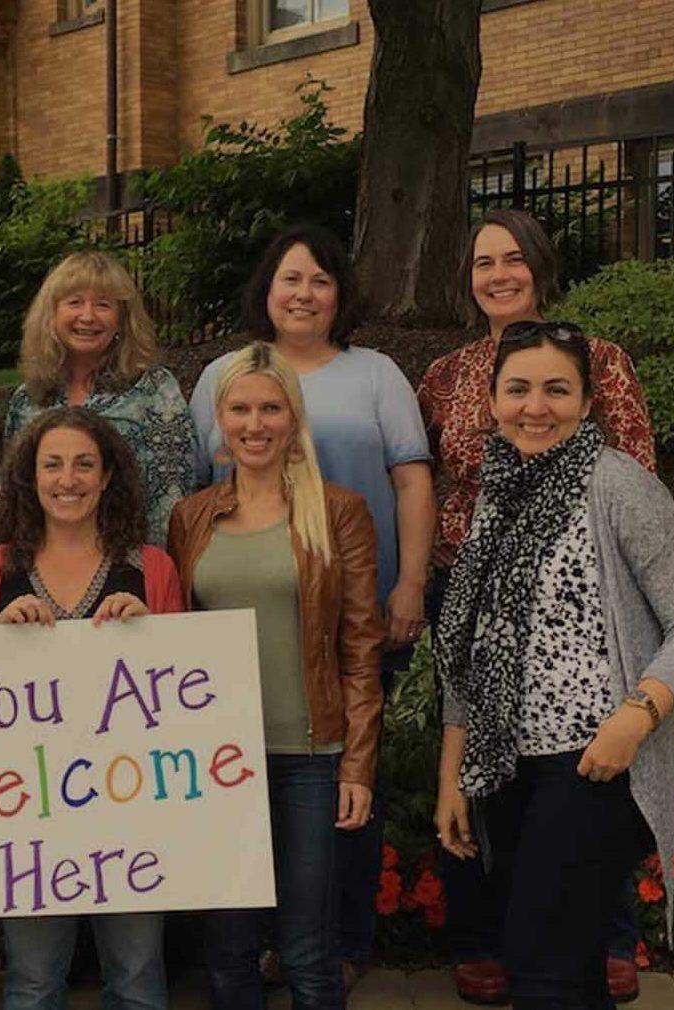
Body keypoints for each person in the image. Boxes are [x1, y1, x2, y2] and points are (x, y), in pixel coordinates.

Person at [431, 321, 674, 1010]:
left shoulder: (620, 488)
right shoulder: (497, 495)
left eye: (556, 390)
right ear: (492, 401)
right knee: (569, 966)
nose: (536, 407)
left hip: (595, 764)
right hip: (505, 762)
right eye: (518, 389)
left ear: (588, 402)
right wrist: (452, 776)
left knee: (540, 964)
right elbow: (472, 652)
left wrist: (636, 714)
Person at [418, 208, 657, 1004]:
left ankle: (603, 938)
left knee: (582, 773)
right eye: (483, 262)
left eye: (513, 259)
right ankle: (499, 939)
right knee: (496, 771)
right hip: (470, 578)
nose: (498, 275)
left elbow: (635, 473)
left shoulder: (598, 359)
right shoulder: (449, 374)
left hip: (578, 589)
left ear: (539, 267)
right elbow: (425, 479)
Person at [187, 226, 433, 980]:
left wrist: (410, 583)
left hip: (352, 613)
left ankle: (341, 944)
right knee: (249, 788)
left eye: (320, 280)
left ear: (340, 294)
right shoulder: (220, 376)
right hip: (245, 620)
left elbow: (412, 480)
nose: (304, 293)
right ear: (267, 290)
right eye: (290, 278)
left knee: (347, 779)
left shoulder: (376, 374)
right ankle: (261, 942)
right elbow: (202, 494)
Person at [167, 343, 384, 1010]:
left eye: (270, 408)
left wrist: (358, 766)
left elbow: (361, 646)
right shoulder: (192, 517)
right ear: (220, 419)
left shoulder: (337, 510)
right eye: (240, 408)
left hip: (310, 757)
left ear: (293, 418)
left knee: (307, 949)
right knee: (228, 952)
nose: (254, 423)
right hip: (220, 760)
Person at [0, 406, 183, 1010]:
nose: (68, 479)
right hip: (27, 817)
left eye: (85, 464)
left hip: (131, 810)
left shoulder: (151, 568)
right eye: (52, 464)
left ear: (107, 476)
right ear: (29, 479)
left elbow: (187, 699)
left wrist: (151, 633)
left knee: (137, 978)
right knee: (32, 983)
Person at [4, 250, 194, 541]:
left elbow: (172, 495)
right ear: (52, 314)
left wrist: (153, 572)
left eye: (103, 305)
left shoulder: (154, 390)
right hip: (44, 564)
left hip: (130, 560)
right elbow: (17, 495)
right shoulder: (27, 399)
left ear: (122, 319)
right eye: (75, 302)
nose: (88, 316)